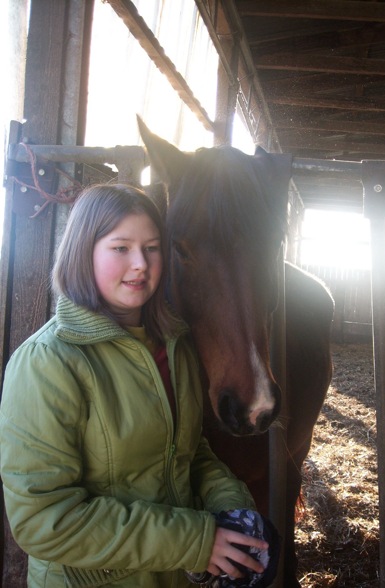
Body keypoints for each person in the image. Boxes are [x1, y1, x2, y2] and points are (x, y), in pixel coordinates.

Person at [0, 183, 269, 588]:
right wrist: (196, 541)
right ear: (84, 251)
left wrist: (233, 510)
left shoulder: (173, 346)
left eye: (153, 247)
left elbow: (188, 451)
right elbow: (43, 521)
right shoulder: (48, 363)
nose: (141, 264)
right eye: (121, 248)